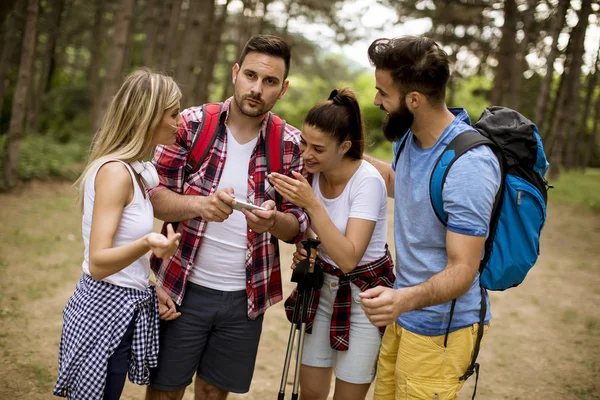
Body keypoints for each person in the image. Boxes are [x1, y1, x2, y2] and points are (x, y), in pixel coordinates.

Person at [145, 34, 310, 400]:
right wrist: (200, 206)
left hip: (245, 298)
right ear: (236, 73)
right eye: (250, 75)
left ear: (282, 89)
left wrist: (273, 221)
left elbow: (298, 221)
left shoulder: (289, 144)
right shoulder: (189, 125)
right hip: (179, 288)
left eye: (269, 82)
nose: (257, 88)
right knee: (165, 392)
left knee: (212, 393)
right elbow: (152, 198)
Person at [358, 36, 501, 400]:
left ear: (414, 100)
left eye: (383, 93)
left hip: (441, 330)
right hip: (404, 316)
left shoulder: (470, 166)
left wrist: (401, 299)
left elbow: (463, 269)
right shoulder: (408, 136)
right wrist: (347, 153)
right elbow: (402, 183)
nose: (377, 101)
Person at [53, 69, 183, 400]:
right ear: (149, 116)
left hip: (122, 309)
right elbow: (98, 263)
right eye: (173, 113)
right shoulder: (115, 173)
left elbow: (120, 254)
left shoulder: (133, 172)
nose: (179, 120)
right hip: (102, 313)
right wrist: (148, 242)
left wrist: (150, 287)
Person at [269, 88, 394, 400]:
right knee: (310, 391)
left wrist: (312, 205)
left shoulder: (367, 182)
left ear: (345, 146)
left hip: (365, 297)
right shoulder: (311, 174)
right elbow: (318, 236)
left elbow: (350, 257)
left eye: (318, 148)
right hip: (322, 289)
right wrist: (307, 246)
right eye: (304, 143)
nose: (307, 154)